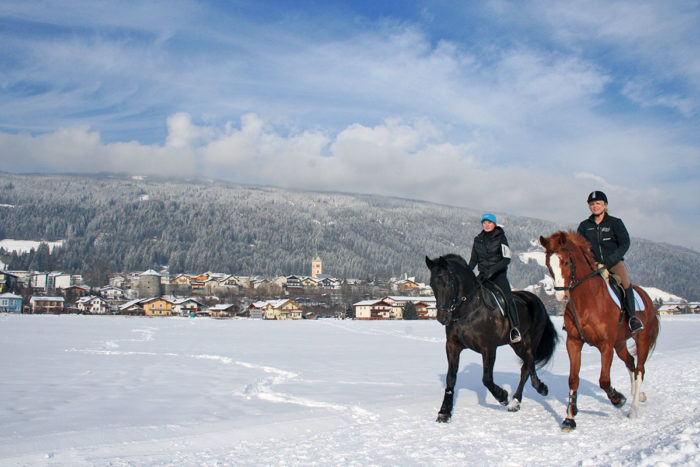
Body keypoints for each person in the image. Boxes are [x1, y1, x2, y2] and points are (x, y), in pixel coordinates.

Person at [577, 191, 643, 333]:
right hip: (592, 265)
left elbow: (625, 243)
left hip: (613, 263)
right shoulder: (584, 226)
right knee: (577, 285)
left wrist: (611, 259)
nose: (595, 206)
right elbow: (579, 246)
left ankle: (632, 318)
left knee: (625, 284)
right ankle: (574, 318)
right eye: (592, 204)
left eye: (598, 204)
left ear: (604, 205)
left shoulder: (615, 223)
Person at [468, 213, 521, 343]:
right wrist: (467, 272)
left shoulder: (501, 238)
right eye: (484, 223)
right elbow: (473, 260)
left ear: (494, 224)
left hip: (498, 275)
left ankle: (515, 328)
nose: (486, 225)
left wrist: (492, 271)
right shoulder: (477, 239)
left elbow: (506, 259)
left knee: (508, 298)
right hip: (483, 275)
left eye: (489, 223)